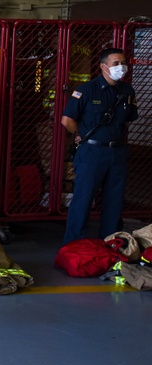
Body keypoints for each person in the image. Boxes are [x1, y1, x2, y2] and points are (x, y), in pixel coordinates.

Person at [61, 47, 138, 245]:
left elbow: (127, 119)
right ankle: (74, 245)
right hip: (92, 152)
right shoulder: (86, 90)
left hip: (117, 152)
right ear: (103, 66)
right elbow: (67, 120)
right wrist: (82, 135)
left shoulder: (127, 91)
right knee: (83, 198)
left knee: (114, 200)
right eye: (116, 64)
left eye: (123, 63)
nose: (121, 67)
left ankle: (110, 243)